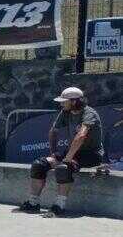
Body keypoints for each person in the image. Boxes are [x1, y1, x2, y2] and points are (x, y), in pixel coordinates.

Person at [21, 87, 106, 218]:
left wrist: (68, 158)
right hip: (73, 152)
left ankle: (59, 206)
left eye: (64, 101)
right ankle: (33, 203)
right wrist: (54, 152)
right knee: (39, 165)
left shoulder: (89, 113)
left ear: (74, 101)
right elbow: (53, 131)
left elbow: (81, 136)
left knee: (63, 168)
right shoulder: (65, 112)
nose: (61, 104)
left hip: (91, 155)